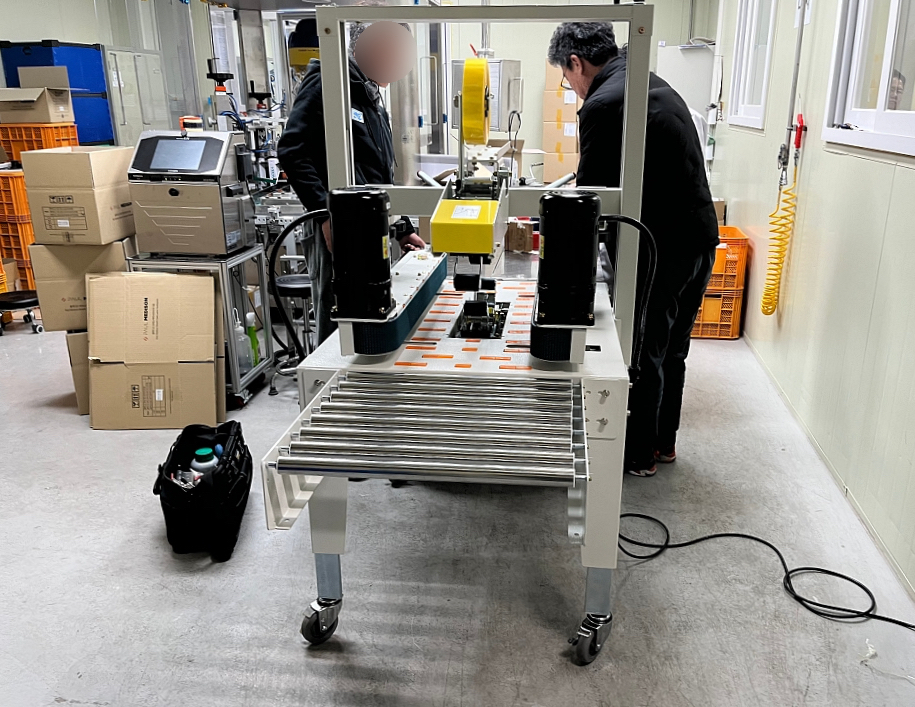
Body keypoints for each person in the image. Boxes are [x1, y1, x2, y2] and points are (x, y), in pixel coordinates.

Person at [547, 22, 720, 477]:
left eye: (566, 78)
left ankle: (638, 455)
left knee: (641, 350)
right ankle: (663, 443)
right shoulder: (647, 79)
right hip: (698, 240)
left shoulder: (604, 102)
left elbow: (590, 200)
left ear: (576, 63)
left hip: (660, 249)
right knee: (673, 348)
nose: (571, 88)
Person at [277, 19, 425, 346]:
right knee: (339, 314)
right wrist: (325, 215)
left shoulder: (368, 94)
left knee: (370, 310)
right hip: (337, 226)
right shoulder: (329, 82)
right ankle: (329, 374)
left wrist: (402, 227)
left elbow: (378, 175)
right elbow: (292, 149)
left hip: (368, 225)